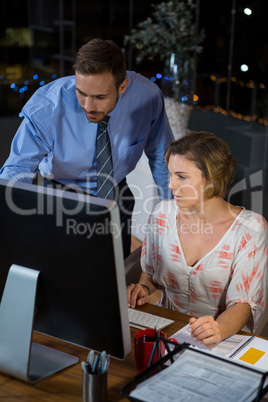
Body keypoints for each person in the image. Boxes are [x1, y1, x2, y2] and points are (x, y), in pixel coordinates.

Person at [0, 39, 174, 258]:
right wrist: (7, 216)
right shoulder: (48, 106)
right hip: (61, 196)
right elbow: (18, 168)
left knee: (113, 275)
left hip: (116, 193)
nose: (88, 106)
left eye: (100, 97)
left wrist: (174, 213)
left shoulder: (147, 98)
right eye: (81, 93)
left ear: (122, 86)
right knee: (63, 274)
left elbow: (161, 157)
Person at [127, 131, 268, 348]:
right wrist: (143, 289)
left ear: (211, 178)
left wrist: (217, 330)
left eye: (181, 176)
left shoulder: (250, 229)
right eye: (171, 174)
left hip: (223, 340)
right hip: (168, 332)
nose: (171, 184)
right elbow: (151, 275)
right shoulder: (161, 215)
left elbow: (242, 304)